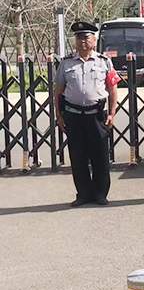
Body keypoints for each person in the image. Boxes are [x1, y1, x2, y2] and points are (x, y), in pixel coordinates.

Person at [54, 22, 121, 207]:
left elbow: (112, 89)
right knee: (78, 156)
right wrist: (59, 115)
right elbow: (59, 91)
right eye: (79, 38)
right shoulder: (66, 63)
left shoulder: (104, 62)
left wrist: (112, 113)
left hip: (96, 115)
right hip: (73, 115)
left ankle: (100, 193)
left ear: (94, 40)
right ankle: (83, 193)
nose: (82, 41)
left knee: (100, 156)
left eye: (86, 37)